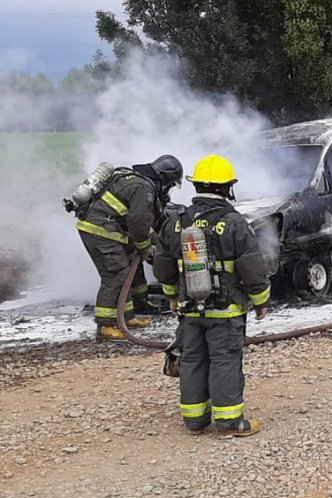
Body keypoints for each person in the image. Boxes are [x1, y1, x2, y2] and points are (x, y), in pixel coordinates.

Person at [152, 155, 271, 437]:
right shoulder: (233, 222)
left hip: (189, 309)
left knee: (193, 359)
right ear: (227, 188)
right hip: (226, 310)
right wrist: (261, 300)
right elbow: (252, 265)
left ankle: (195, 421)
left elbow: (164, 266)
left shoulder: (176, 221)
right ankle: (229, 423)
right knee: (225, 359)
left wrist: (172, 296)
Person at [76, 155, 183, 341]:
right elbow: (138, 222)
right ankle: (105, 326)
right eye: (171, 184)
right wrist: (144, 248)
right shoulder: (144, 188)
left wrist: (153, 243)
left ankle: (126, 316)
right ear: (164, 178)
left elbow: (138, 221)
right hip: (101, 231)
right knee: (115, 274)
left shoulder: (133, 178)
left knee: (126, 270)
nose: (168, 189)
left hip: (105, 229)